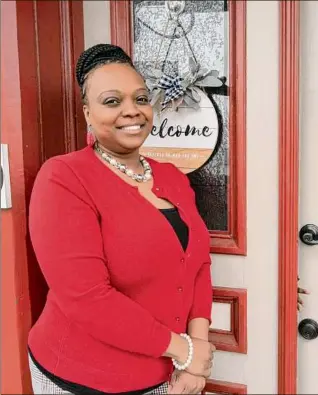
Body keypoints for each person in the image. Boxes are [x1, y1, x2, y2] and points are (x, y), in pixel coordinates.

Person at [27, 43, 215, 394]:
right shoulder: (64, 178)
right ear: (86, 112)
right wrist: (185, 350)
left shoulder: (172, 177)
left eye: (141, 99)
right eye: (112, 101)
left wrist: (194, 355)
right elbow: (86, 297)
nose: (132, 111)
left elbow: (198, 263)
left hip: (168, 374)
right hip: (83, 379)